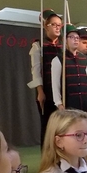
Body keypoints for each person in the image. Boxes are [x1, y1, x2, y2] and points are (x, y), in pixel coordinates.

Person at [28, 9, 63, 147]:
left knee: (62, 126)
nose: (57, 27)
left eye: (59, 25)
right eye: (54, 24)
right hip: (46, 91)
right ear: (45, 26)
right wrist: (40, 91)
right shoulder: (38, 45)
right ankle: (47, 156)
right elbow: (36, 71)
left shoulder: (63, 45)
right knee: (48, 125)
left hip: (61, 90)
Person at [51, 24, 87, 115]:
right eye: (72, 37)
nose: (75, 39)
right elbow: (55, 84)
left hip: (85, 104)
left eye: (77, 37)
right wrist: (58, 103)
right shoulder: (58, 59)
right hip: (68, 104)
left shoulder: (85, 59)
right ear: (65, 40)